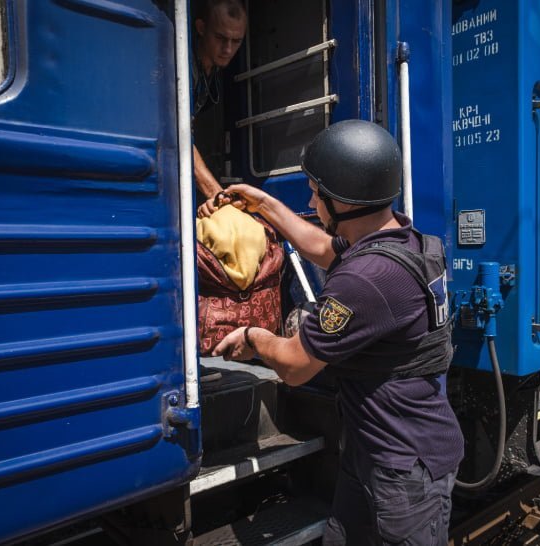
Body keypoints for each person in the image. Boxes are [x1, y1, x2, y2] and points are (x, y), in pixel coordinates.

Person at [213, 120, 464, 545]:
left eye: (316, 191)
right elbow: (324, 249)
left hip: (404, 467)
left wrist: (255, 337)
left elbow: (293, 367)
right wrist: (264, 204)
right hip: (375, 449)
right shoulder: (403, 241)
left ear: (343, 200)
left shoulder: (368, 279)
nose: (312, 198)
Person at [191, 0, 246, 219]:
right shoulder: (184, 67)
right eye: (221, 38)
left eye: (236, 41)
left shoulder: (212, 70)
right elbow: (178, 136)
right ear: (201, 28)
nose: (228, 50)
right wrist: (217, 195)